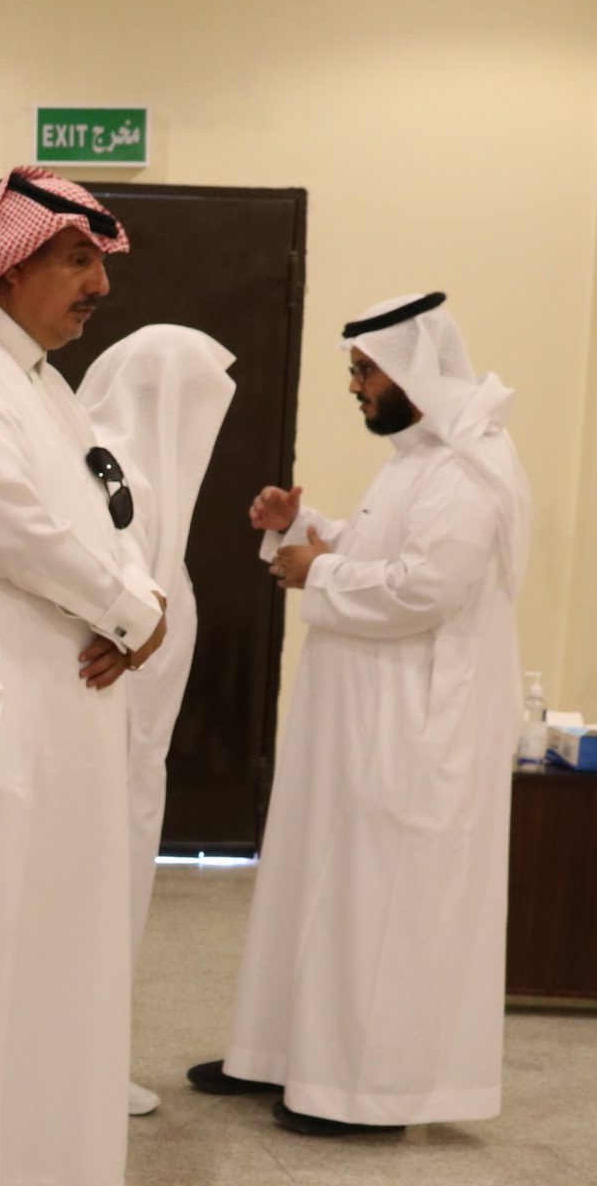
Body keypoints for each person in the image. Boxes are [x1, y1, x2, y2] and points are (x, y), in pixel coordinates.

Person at [194, 292, 529, 1136]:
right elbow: (383, 551)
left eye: (364, 371)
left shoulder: (468, 467)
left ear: (411, 369)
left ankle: (368, 1095)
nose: (354, 386)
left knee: (381, 905)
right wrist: (303, 529)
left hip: (415, 730)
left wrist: (318, 572)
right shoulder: (418, 458)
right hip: (362, 721)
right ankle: (280, 1057)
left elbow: (426, 588)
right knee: (320, 884)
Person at [0, 165, 158, 1186]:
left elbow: (113, 512)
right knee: (12, 941)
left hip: (74, 707)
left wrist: (142, 602)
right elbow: (11, 521)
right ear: (8, 261)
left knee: (59, 942)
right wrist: (125, 611)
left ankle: (41, 1168)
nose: (98, 287)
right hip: (21, 703)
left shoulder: (39, 380)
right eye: (78, 260)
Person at [81, 326, 240, 1113]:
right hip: (105, 753)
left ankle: (93, 1063)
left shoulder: (139, 483)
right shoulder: (119, 480)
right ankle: (81, 1073)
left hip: (135, 756)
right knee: (89, 908)